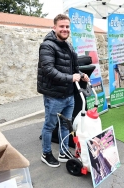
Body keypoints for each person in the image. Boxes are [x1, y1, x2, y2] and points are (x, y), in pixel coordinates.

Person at [37, 14, 90, 167]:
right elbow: (48, 70)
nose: (65, 29)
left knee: (66, 125)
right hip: (54, 96)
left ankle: (63, 151)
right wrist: (70, 78)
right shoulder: (47, 46)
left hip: (68, 94)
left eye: (67, 26)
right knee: (49, 126)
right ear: (54, 28)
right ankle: (46, 153)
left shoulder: (68, 45)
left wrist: (81, 75)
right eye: (62, 26)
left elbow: (73, 69)